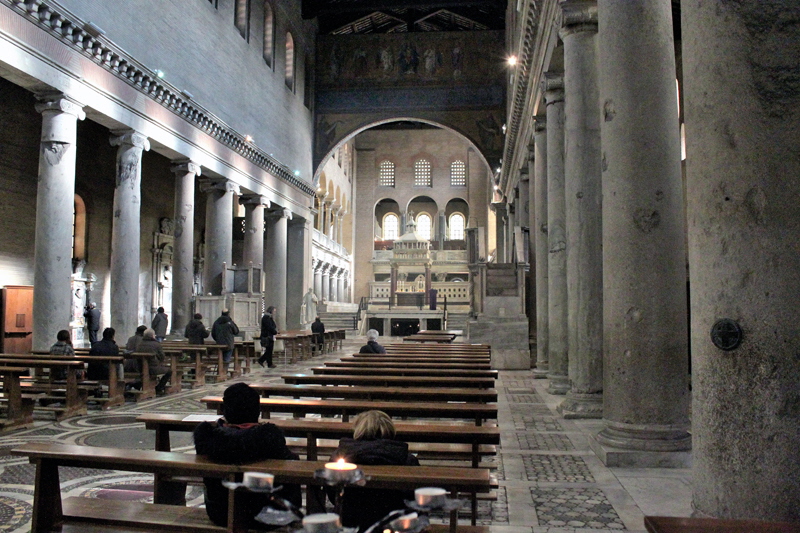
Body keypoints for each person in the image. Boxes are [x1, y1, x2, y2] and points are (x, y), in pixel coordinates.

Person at [193, 383, 301, 529]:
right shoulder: (269, 438)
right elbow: (291, 466)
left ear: (225, 410)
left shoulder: (207, 439)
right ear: (257, 411)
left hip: (221, 513)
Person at [328, 410, 419, 531]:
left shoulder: (340, 456)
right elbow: (414, 496)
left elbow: (331, 491)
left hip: (350, 521)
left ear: (358, 429)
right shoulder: (405, 458)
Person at [136, 328, 171, 395]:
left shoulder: (140, 344)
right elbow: (162, 356)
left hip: (140, 367)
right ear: (152, 336)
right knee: (169, 371)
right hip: (153, 368)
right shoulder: (156, 344)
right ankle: (159, 388)